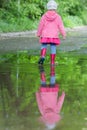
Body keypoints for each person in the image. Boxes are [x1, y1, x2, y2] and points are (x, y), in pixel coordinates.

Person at [37, 0, 66, 65]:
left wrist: (39, 34)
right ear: (55, 8)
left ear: (48, 7)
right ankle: (52, 62)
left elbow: (41, 25)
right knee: (53, 47)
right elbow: (61, 26)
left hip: (45, 35)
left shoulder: (44, 16)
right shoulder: (58, 17)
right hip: (54, 35)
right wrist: (63, 34)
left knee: (44, 45)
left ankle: (42, 56)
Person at [36, 65, 65, 129]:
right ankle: (42, 70)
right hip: (44, 93)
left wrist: (63, 95)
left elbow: (60, 103)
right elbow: (39, 103)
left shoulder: (56, 112)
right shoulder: (43, 113)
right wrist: (37, 94)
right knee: (43, 81)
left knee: (52, 80)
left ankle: (52, 68)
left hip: (53, 93)